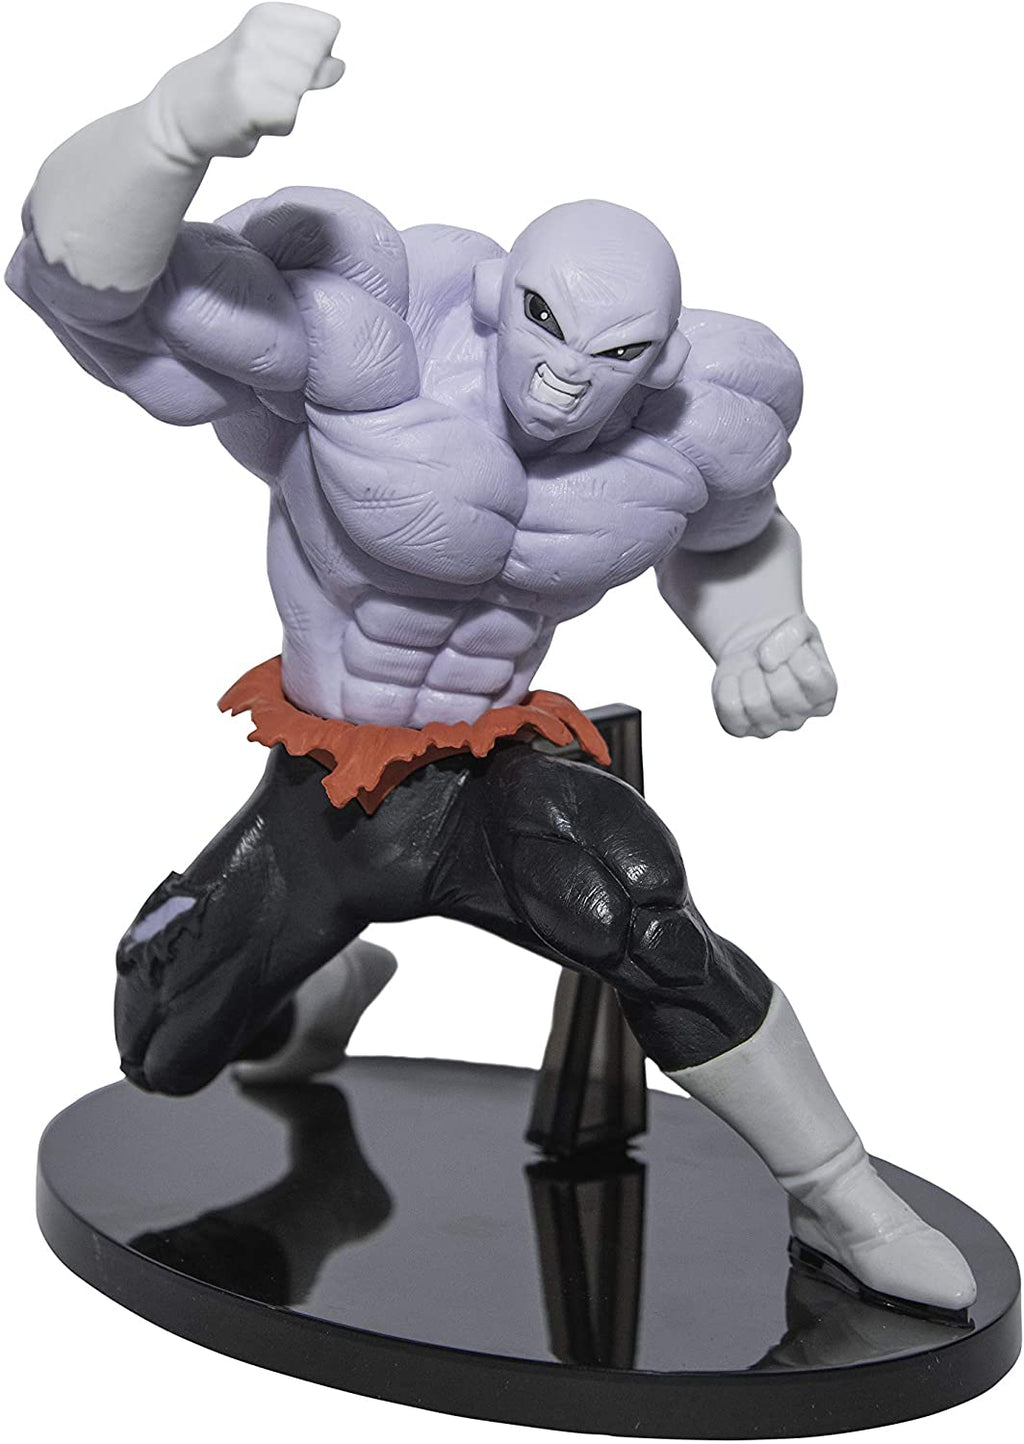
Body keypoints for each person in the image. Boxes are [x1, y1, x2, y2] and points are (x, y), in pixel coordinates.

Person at [6, 3, 975, 1315]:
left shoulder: (697, 425)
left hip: (484, 773)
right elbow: (81, 283)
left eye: (612, 358)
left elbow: (737, 541)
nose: (567, 381)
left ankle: (842, 1200)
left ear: (658, 363)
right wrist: (177, 122)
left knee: (645, 915)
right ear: (496, 294)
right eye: (545, 325)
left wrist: (759, 628)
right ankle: (328, 977)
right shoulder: (366, 339)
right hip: (324, 787)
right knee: (160, 1047)